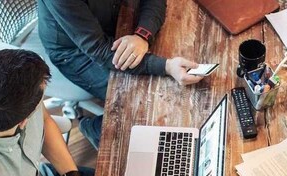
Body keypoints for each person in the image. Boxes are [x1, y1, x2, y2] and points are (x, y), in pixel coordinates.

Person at [37, 0, 204, 149]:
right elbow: (100, 50)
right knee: (143, 104)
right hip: (75, 52)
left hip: (112, 25)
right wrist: (166, 66)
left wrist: (142, 36)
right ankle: (95, 128)